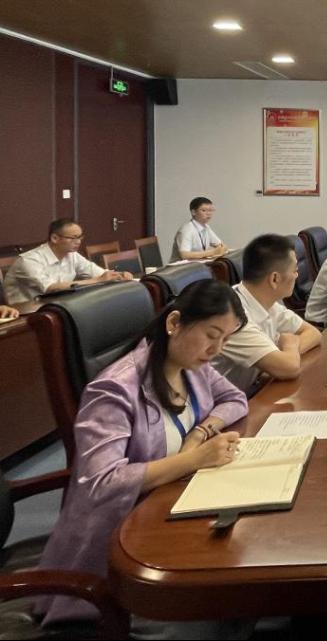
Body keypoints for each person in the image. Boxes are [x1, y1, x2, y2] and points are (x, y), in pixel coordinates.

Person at [35, 279, 250, 632]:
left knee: (242, 571)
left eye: (226, 339)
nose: (216, 350)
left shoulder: (192, 368)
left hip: (171, 512)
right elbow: (102, 482)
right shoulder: (114, 389)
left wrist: (199, 433)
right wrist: (193, 459)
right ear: (174, 323)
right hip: (122, 548)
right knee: (222, 603)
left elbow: (235, 399)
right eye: (212, 335)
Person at [213, 234, 322, 394]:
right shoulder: (232, 315)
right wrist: (289, 345)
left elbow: (314, 333)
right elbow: (289, 368)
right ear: (274, 279)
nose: (297, 276)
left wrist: (284, 355)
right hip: (224, 402)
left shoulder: (264, 300)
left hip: (252, 390)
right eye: (295, 270)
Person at [2, 218, 132, 304]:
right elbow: (50, 288)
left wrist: (118, 275)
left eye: (80, 237)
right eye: (73, 238)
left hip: (56, 305)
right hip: (24, 313)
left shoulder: (72, 255)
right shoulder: (29, 260)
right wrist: (97, 280)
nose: (78, 242)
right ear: (55, 238)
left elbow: (98, 272)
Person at [170, 196, 227, 261]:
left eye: (210, 210)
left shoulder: (206, 227)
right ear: (193, 212)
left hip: (198, 264)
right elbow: (184, 255)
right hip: (181, 266)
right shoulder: (186, 230)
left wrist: (221, 248)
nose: (208, 213)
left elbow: (221, 245)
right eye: (204, 210)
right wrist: (212, 252)